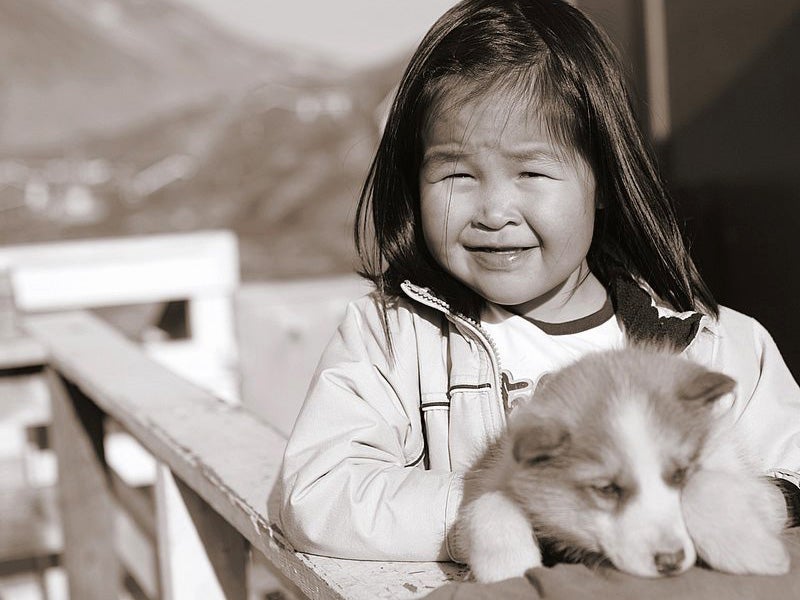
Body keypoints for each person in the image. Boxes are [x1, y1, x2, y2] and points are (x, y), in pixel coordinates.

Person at [277, 0, 800, 565]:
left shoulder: (712, 345)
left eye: (531, 172)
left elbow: (791, 466)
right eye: (457, 174)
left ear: (604, 177)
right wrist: (498, 508)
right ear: (414, 177)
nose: (495, 211)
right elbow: (318, 494)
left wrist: (723, 504)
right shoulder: (392, 338)